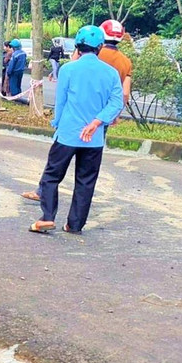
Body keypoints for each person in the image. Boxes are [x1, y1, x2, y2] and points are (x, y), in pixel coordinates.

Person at [31, 25, 124, 235]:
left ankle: (47, 217)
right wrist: (97, 122)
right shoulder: (111, 73)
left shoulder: (68, 69)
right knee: (85, 182)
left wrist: (56, 123)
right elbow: (117, 103)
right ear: (100, 47)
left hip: (67, 134)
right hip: (94, 139)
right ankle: (74, 225)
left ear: (78, 47)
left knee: (51, 176)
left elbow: (61, 102)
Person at [96, 20, 133, 111]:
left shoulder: (93, 54)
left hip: (85, 107)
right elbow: (125, 93)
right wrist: (115, 112)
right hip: (108, 110)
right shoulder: (126, 61)